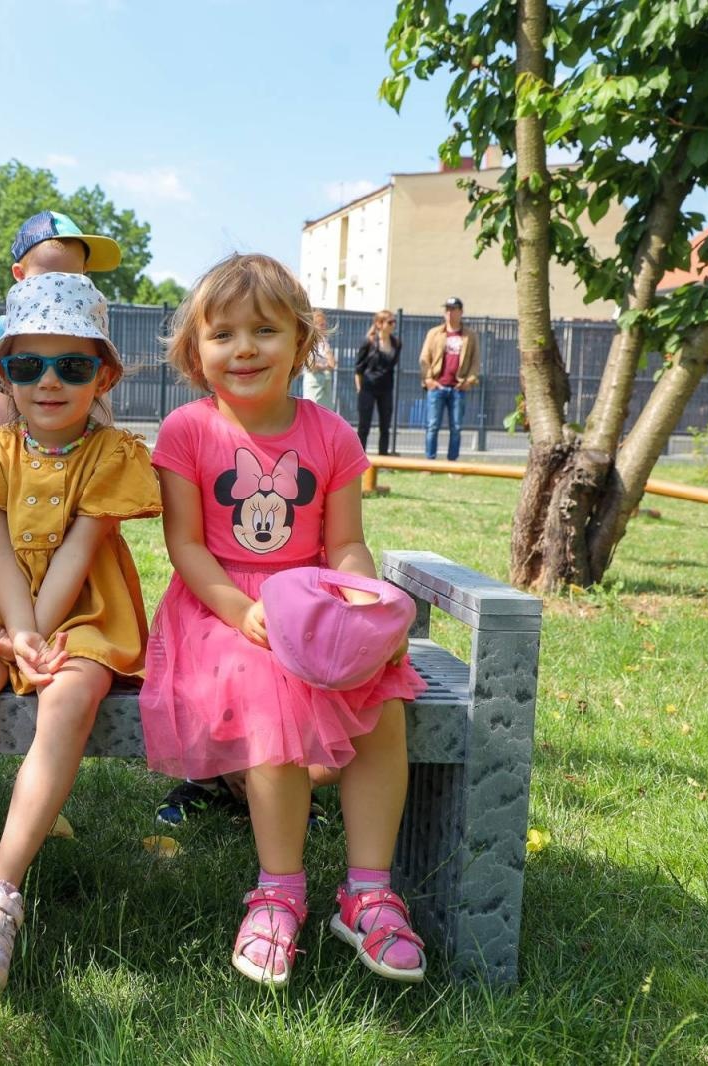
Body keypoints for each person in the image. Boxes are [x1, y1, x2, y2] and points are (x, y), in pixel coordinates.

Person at [138, 253, 429, 987]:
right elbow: (186, 547)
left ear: (301, 343)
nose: (243, 348)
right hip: (217, 610)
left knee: (384, 693)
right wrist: (243, 609)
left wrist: (357, 598)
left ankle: (368, 892)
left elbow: (348, 543)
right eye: (223, 333)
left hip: (312, 599)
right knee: (268, 692)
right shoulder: (187, 430)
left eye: (265, 330)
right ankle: (278, 893)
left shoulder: (331, 435)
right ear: (194, 351)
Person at [0, 272, 161, 995]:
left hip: (83, 606)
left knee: (69, 698)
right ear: (4, 374)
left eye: (73, 365)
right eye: (28, 366)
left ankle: (0, 886)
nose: (49, 382)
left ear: (104, 375)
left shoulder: (113, 455)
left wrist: (36, 638)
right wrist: (14, 633)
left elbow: (79, 555)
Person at [0, 211, 123, 427]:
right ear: (19, 274)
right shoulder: (3, 328)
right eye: (48, 278)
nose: (58, 288)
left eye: (71, 277)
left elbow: (100, 405)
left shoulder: (89, 326)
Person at [419, 297, 480, 462]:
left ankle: (452, 464)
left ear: (461, 311)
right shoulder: (434, 333)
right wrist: (429, 379)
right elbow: (424, 357)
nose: (449, 313)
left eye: (453, 309)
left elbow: (475, 362)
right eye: (446, 309)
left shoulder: (469, 335)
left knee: (457, 427)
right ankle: (429, 462)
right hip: (437, 387)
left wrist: (469, 380)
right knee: (432, 426)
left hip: (457, 388)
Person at [354, 309, 401, 454]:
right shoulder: (369, 342)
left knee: (385, 426)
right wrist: (360, 389)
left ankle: (383, 459)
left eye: (394, 322)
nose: (393, 325)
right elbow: (358, 368)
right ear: (379, 324)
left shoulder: (396, 343)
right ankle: (358, 460)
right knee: (364, 426)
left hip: (386, 389)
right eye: (390, 322)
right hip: (368, 388)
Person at [299, 308, 337, 409]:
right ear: (313, 325)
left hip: (326, 383)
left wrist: (321, 366)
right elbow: (311, 366)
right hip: (313, 383)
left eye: (324, 324)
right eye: (321, 325)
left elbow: (332, 364)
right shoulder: (308, 343)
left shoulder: (324, 343)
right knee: (311, 412)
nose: (324, 327)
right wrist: (325, 366)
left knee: (326, 412)